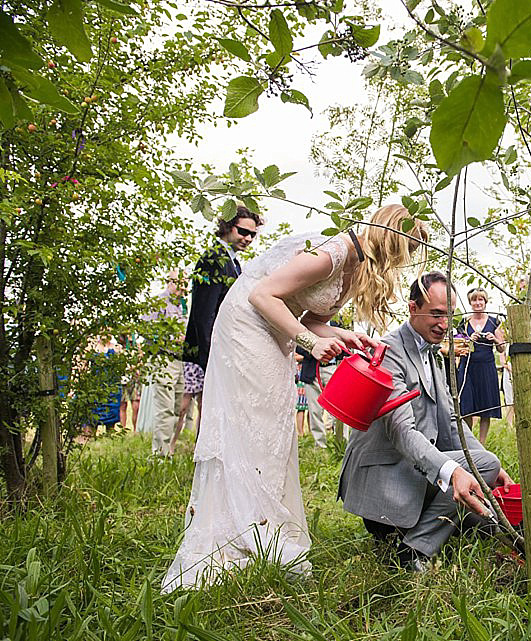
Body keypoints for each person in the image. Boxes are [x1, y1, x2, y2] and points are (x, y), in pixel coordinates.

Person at [162, 204, 427, 591]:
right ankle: (238, 534)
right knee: (255, 426)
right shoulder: (330, 253)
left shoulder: (356, 267)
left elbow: (305, 314)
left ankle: (262, 528)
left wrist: (342, 335)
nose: (403, 262)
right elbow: (262, 296)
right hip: (247, 327)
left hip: (275, 328)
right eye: (405, 250)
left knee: (275, 428)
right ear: (389, 238)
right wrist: (310, 343)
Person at [338, 272, 514, 571]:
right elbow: (401, 432)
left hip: (412, 472)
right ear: (412, 308)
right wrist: (459, 470)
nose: (444, 324)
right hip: (386, 481)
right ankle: (413, 551)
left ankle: (425, 527)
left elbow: (450, 422)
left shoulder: (430, 353)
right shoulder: (390, 351)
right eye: (436, 314)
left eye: (449, 315)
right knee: (480, 467)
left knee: (486, 523)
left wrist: (491, 468)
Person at [181, 206, 263, 434]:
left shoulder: (233, 262)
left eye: (252, 235)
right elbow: (203, 314)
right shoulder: (213, 259)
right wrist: (210, 359)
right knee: (209, 409)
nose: (247, 238)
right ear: (227, 227)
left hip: (226, 347)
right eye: (242, 232)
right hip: (210, 350)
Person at [141, 270, 188, 456]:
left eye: (186, 284)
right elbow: (146, 330)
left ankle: (169, 450)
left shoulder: (183, 306)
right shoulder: (158, 303)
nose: (184, 288)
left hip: (181, 360)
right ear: (171, 282)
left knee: (178, 408)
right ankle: (159, 455)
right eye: (181, 283)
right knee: (165, 408)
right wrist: (171, 337)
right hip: (163, 359)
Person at [455, 288, 505, 444]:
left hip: (486, 366)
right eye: (474, 300)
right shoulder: (463, 323)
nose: (477, 303)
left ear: (485, 302)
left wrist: (494, 340)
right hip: (468, 366)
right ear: (470, 303)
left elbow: (502, 348)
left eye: (480, 300)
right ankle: (470, 442)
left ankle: (481, 444)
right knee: (467, 405)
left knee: (485, 406)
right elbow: (459, 346)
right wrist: (469, 339)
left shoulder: (494, 322)